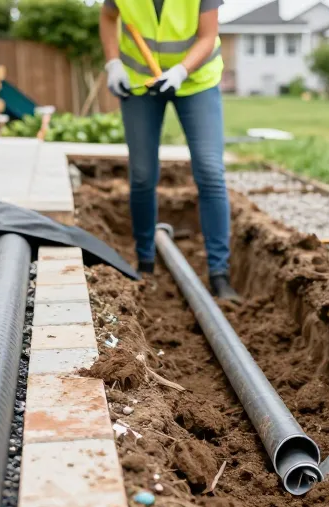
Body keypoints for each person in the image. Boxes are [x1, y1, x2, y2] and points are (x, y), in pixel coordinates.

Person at [99, 0, 240, 301]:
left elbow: (207, 35)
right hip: (140, 82)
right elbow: (109, 15)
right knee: (142, 174)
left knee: (210, 171)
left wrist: (179, 71)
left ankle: (219, 274)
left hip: (195, 81)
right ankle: (145, 265)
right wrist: (113, 62)